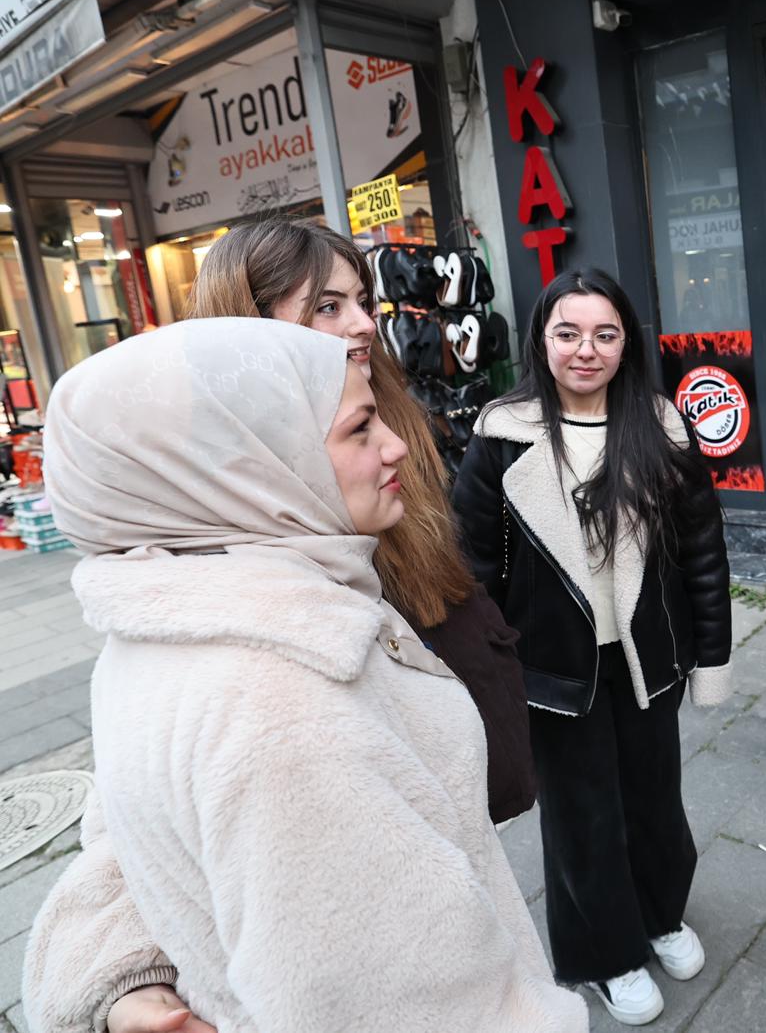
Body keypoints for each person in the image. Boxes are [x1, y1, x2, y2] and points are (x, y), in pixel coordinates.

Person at [25, 219, 538, 1033]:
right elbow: (168, 788)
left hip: (431, 826)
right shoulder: (226, 543)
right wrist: (126, 973)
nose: (364, 323)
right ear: (246, 336)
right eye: (327, 306)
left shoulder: (379, 425)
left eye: (364, 299)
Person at [452, 269, 732, 1028]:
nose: (587, 350)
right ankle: (606, 955)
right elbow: (473, 571)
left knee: (653, 798)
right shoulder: (500, 437)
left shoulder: (663, 427)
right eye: (568, 333)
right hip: (553, 670)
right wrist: (486, 685)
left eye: (605, 334)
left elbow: (704, 555)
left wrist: (711, 658)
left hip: (646, 657)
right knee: (582, 819)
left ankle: (661, 915)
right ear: (542, 340)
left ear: (627, 343)